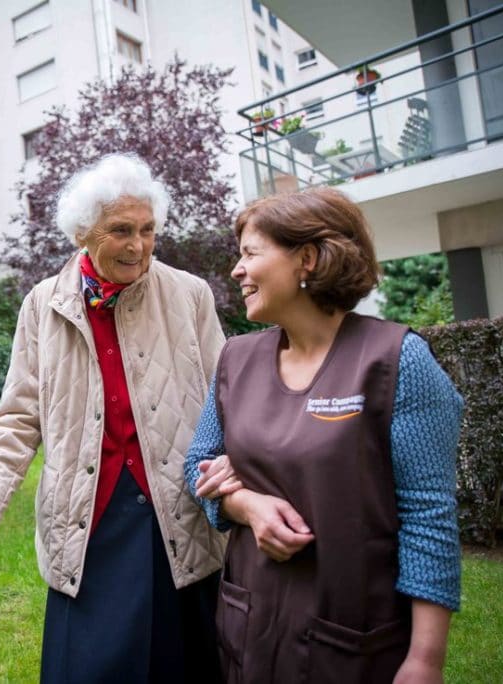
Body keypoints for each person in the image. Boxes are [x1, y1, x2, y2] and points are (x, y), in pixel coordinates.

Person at [0, 153, 227, 683]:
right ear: (82, 233)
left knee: (183, 664)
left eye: (147, 229)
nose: (138, 245)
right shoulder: (43, 305)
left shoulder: (189, 295)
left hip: (174, 513)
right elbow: (17, 418)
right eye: (121, 230)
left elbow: (226, 400)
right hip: (86, 518)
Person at [184, 188, 463, 684]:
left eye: (250, 254)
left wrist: (426, 659)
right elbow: (197, 465)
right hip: (251, 625)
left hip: (354, 633)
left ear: (307, 259)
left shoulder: (397, 361)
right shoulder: (236, 360)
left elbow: (429, 517)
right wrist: (245, 505)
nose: (237, 270)